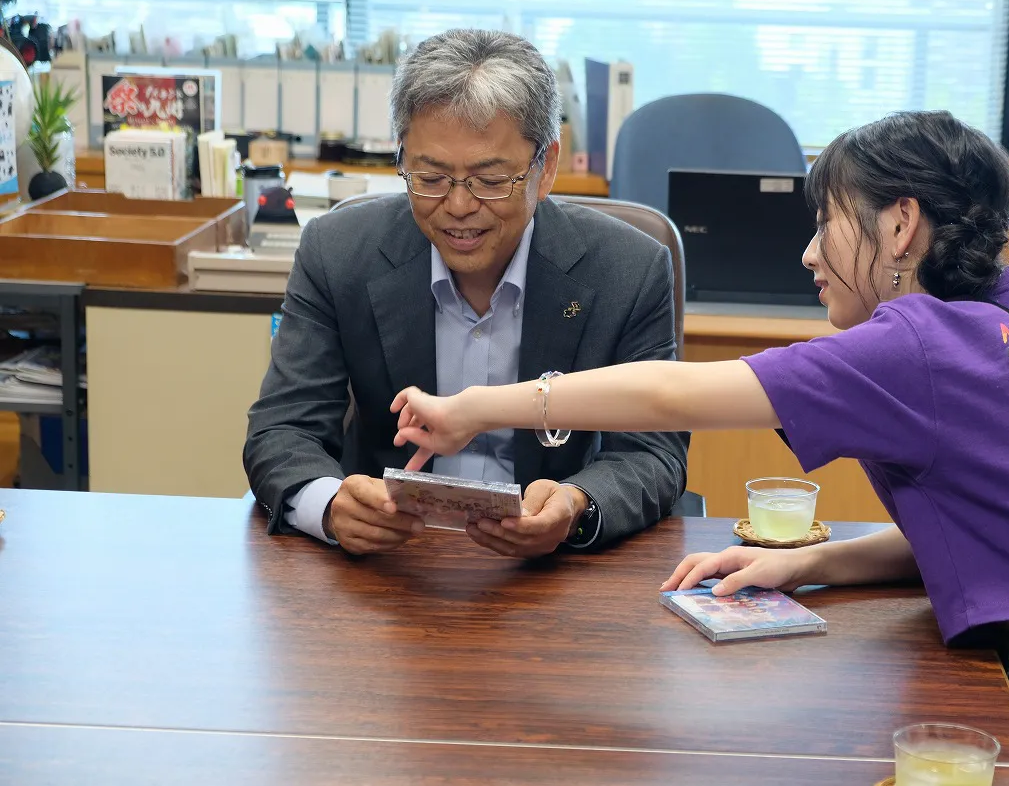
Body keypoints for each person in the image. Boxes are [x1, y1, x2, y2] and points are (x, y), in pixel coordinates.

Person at [387, 110, 1009, 786]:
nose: (810, 253)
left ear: (900, 224)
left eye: (827, 223)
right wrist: (811, 562)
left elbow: (676, 395)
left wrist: (471, 408)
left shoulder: (916, 343)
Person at [244, 28, 689, 559]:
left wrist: (575, 505)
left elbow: (653, 453)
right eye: (430, 177)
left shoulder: (629, 269)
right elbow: (281, 430)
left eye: (489, 179)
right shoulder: (339, 252)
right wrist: (331, 504)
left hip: (547, 573)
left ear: (545, 167)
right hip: (389, 565)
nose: (458, 206)